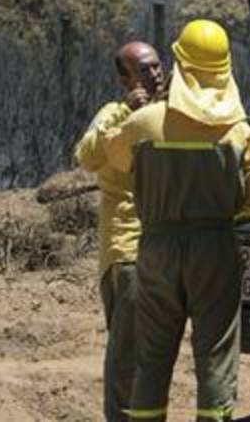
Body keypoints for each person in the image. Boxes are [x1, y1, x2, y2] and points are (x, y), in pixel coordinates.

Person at [104, 19, 250, 421]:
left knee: (152, 359)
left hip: (157, 247)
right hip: (214, 247)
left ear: (180, 64)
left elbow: (116, 159)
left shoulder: (145, 123)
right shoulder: (239, 132)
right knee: (215, 356)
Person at [75, 41, 166, 422]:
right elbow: (86, 156)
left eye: (157, 67)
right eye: (144, 70)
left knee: (154, 353)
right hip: (127, 250)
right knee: (126, 355)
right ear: (124, 80)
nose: (155, 75)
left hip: (165, 251)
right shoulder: (113, 113)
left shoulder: (171, 113)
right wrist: (126, 115)